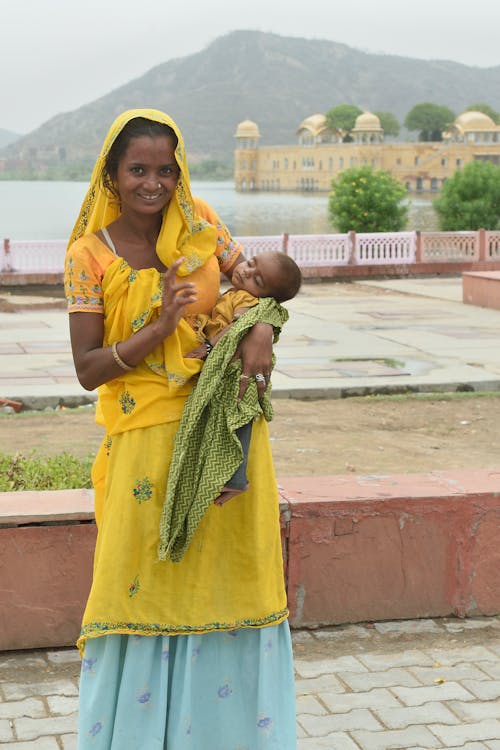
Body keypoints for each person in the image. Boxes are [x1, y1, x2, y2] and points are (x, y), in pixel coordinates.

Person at [64, 108, 297, 749]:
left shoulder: (203, 228)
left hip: (223, 438)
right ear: (112, 174)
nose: (154, 183)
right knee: (140, 591)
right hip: (144, 447)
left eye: (167, 170)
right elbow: (87, 369)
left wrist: (259, 333)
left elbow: (267, 286)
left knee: (226, 586)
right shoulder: (88, 256)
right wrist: (160, 328)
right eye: (138, 169)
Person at [158, 252, 302, 563]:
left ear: (265, 294)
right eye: (250, 263)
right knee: (228, 420)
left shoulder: (247, 303)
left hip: (236, 371)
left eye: (257, 278)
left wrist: (208, 347)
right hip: (228, 369)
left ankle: (236, 478)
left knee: (238, 417)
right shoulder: (239, 293)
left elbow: (236, 330)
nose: (245, 272)